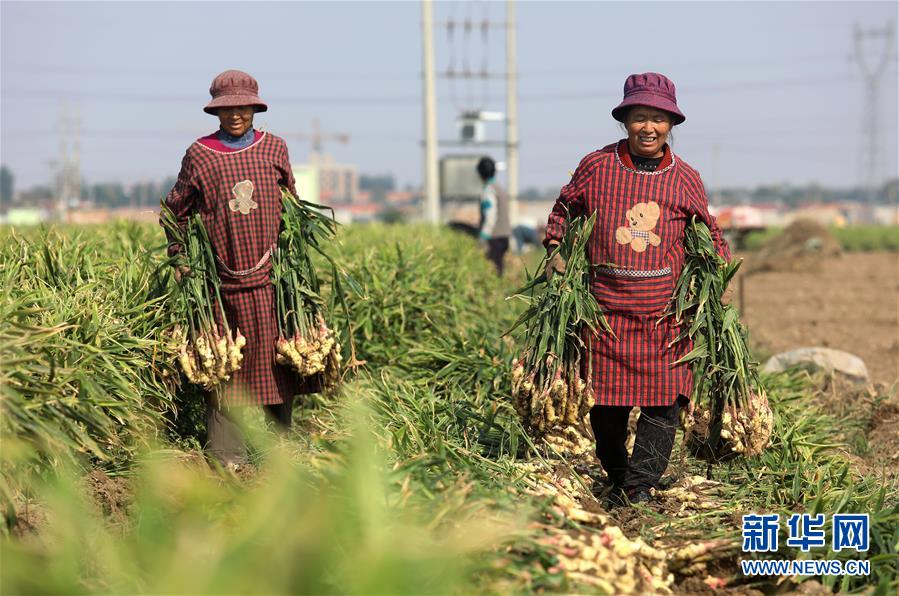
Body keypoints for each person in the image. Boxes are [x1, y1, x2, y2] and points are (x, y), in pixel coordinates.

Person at [542, 73, 732, 507]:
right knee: (606, 406)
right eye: (640, 117)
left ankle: (639, 485)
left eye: (658, 119)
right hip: (604, 313)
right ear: (625, 121)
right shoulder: (597, 166)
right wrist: (555, 245)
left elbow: (707, 230)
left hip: (665, 317)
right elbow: (565, 207)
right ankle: (617, 472)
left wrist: (717, 276)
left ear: (671, 125)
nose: (649, 127)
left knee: (664, 403)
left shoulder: (685, 177)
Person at [162, 70, 315, 469]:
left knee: (275, 368)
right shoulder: (200, 154)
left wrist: (294, 261)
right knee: (226, 370)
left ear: (254, 108)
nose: (235, 115)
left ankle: (276, 457)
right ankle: (228, 460)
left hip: (271, 284)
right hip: (219, 285)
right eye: (227, 109)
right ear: (216, 112)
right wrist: (182, 260)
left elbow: (293, 207)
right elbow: (173, 211)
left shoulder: (274, 149)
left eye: (242, 107)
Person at [476, 156, 511, 275]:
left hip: (494, 237)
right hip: (504, 235)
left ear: (480, 173)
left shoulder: (488, 190)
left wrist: (483, 236)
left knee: (494, 272)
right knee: (499, 269)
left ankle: (499, 293)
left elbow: (490, 215)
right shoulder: (499, 188)